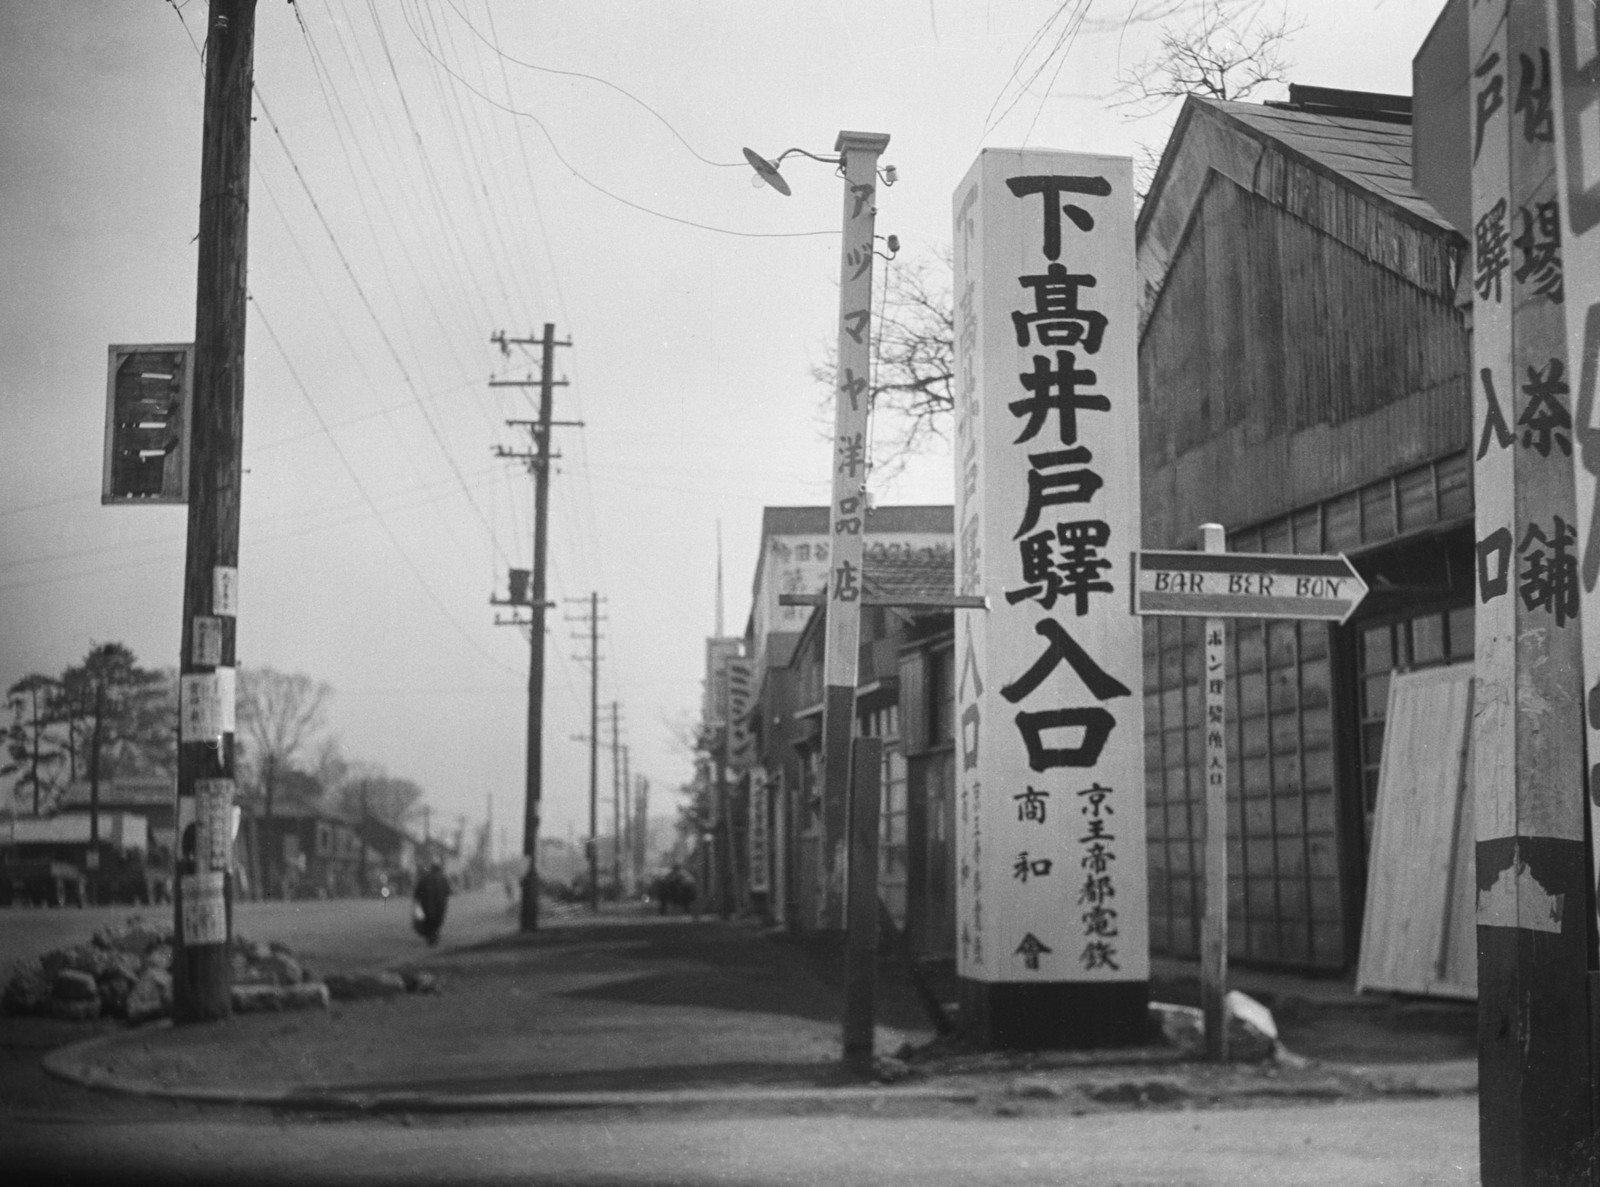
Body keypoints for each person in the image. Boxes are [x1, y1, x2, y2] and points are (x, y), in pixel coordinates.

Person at [412, 858, 451, 946]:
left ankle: (430, 936)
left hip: (427, 905)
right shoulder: (443, 878)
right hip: (440, 905)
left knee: (429, 921)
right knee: (437, 921)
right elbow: (448, 891)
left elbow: (417, 891)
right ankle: (433, 935)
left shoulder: (425, 877)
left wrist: (418, 900)